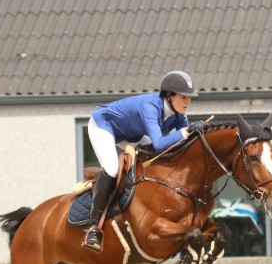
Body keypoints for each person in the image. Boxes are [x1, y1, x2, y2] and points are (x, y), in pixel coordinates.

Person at [82, 70, 203, 252]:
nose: (188, 102)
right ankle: (93, 228)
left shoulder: (178, 113)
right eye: (183, 97)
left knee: (155, 159)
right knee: (112, 168)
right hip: (104, 126)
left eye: (190, 98)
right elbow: (160, 144)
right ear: (169, 95)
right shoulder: (150, 107)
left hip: (132, 133)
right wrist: (186, 131)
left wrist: (198, 132)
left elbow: (183, 144)